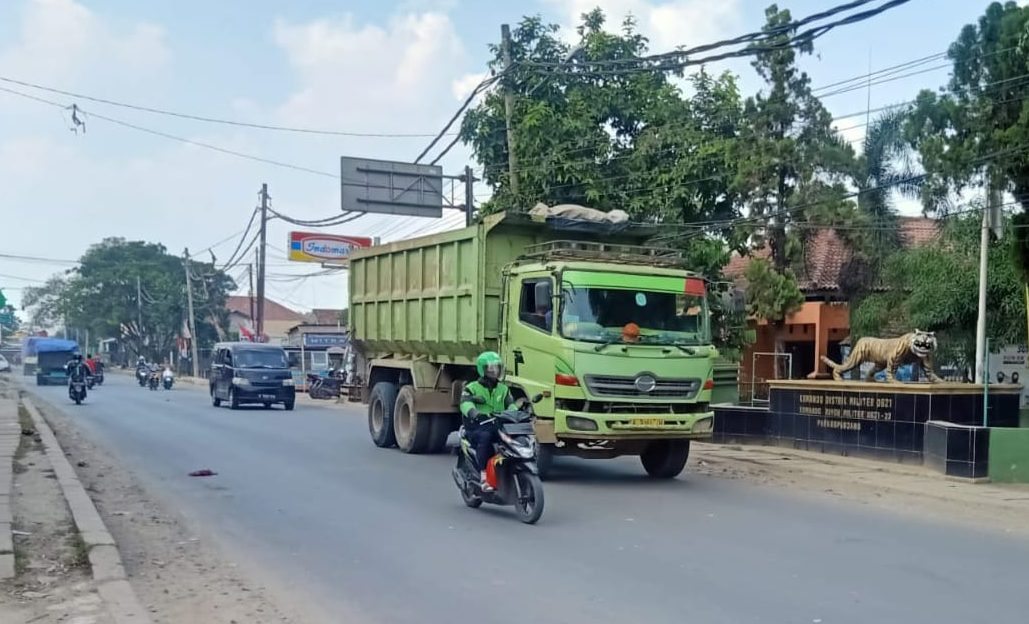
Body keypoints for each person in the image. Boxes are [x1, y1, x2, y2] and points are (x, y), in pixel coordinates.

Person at [459, 351, 514, 491]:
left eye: (497, 368)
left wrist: (517, 413)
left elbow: (511, 405)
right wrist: (474, 412)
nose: (494, 371)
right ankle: (484, 475)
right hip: (477, 426)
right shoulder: (471, 388)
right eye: (490, 368)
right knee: (486, 438)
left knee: (515, 439)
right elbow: (465, 403)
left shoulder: (504, 389)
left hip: (498, 425)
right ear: (482, 369)